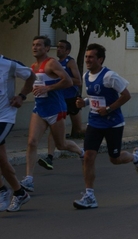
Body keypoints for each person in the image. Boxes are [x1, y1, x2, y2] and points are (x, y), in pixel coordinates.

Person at [73, 43, 138, 209]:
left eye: (91, 57)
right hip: (94, 123)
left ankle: (135, 158)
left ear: (100, 59)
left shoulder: (109, 76)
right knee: (88, 156)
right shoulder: (86, 77)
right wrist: (83, 102)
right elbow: (94, 97)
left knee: (115, 159)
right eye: (86, 57)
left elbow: (126, 95)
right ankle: (89, 196)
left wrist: (108, 109)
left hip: (113, 123)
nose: (88, 60)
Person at [20, 35, 84, 192]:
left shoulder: (52, 63)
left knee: (61, 145)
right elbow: (30, 85)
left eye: (39, 45)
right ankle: (29, 179)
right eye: (33, 45)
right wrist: (20, 97)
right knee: (32, 142)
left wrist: (47, 88)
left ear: (47, 48)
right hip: (40, 109)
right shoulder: (33, 66)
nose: (35, 47)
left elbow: (68, 81)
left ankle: (82, 152)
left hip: (56, 109)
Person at [39, 40, 84, 170]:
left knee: (78, 130)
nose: (58, 49)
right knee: (54, 129)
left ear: (67, 51)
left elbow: (78, 81)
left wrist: (63, 79)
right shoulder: (54, 63)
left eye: (62, 48)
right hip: (59, 100)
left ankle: (100, 132)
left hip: (72, 99)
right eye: (57, 47)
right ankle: (49, 157)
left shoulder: (70, 62)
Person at [0, 55, 35, 212]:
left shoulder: (9, 64)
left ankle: (2, 191)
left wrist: (21, 96)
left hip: (4, 116)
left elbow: (31, 76)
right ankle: (19, 193)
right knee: (1, 159)